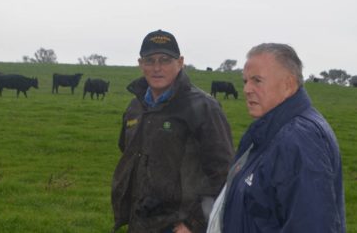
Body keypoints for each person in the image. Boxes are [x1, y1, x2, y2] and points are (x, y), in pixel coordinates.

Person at [207, 43, 346, 233]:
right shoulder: (270, 131)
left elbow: (311, 225)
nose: (247, 89)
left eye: (257, 80)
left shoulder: (299, 140)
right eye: (245, 81)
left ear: (288, 84)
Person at [111, 29, 235, 233]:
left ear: (180, 62)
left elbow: (223, 172)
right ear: (140, 64)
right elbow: (128, 152)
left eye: (165, 60)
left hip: (178, 226)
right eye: (150, 60)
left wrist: (194, 223)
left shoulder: (203, 108)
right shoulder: (136, 107)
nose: (157, 68)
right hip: (140, 221)